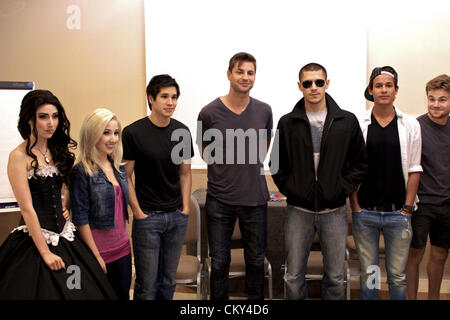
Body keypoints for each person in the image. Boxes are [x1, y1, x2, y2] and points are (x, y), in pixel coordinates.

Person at [0, 90, 116, 299]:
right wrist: (45, 252)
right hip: (34, 241)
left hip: (66, 236)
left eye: (54, 116)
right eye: (43, 117)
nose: (50, 123)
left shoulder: (55, 150)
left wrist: (63, 205)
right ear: (29, 119)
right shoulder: (18, 156)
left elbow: (61, 190)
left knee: (80, 289)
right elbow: (27, 208)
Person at [270, 62, 368, 300]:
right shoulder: (287, 122)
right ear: (299, 86)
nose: (313, 87)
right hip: (298, 210)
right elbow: (276, 165)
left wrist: (340, 189)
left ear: (327, 84)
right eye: (307, 83)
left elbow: (360, 164)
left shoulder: (346, 121)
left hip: (334, 210)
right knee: (293, 276)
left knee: (335, 277)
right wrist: (294, 190)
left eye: (319, 82)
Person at [197, 52, 273, 300]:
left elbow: (264, 148)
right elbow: (205, 153)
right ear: (229, 74)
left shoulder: (264, 110)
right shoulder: (208, 113)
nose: (245, 77)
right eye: (240, 71)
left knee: (255, 262)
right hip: (219, 201)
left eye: (250, 72)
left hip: (255, 200)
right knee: (219, 263)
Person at [350, 66, 422, 300]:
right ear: (371, 90)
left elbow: (414, 168)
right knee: (369, 273)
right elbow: (351, 169)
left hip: (398, 214)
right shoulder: (359, 125)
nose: (383, 90)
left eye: (388, 85)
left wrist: (408, 209)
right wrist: (356, 206)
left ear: (396, 90)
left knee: (397, 276)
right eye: (378, 85)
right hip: (366, 213)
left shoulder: (410, 125)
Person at [122, 74, 193, 300]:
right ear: (151, 99)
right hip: (148, 218)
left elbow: (185, 172)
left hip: (176, 217)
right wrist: (137, 211)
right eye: (164, 96)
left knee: (168, 281)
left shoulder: (182, 132)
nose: (170, 102)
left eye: (174, 97)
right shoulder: (133, 132)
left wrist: (185, 209)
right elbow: (126, 176)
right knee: (147, 285)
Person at [70, 108, 132, 300]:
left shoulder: (118, 167)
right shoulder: (82, 171)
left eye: (115, 133)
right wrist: (95, 256)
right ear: (93, 133)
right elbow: (81, 219)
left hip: (123, 250)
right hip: (98, 253)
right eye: (106, 132)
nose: (112, 139)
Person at [406, 74, 450, 300]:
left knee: (440, 255)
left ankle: (434, 297)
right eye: (431, 99)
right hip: (421, 203)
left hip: (447, 205)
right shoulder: (416, 126)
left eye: (442, 100)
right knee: (415, 255)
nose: (435, 104)